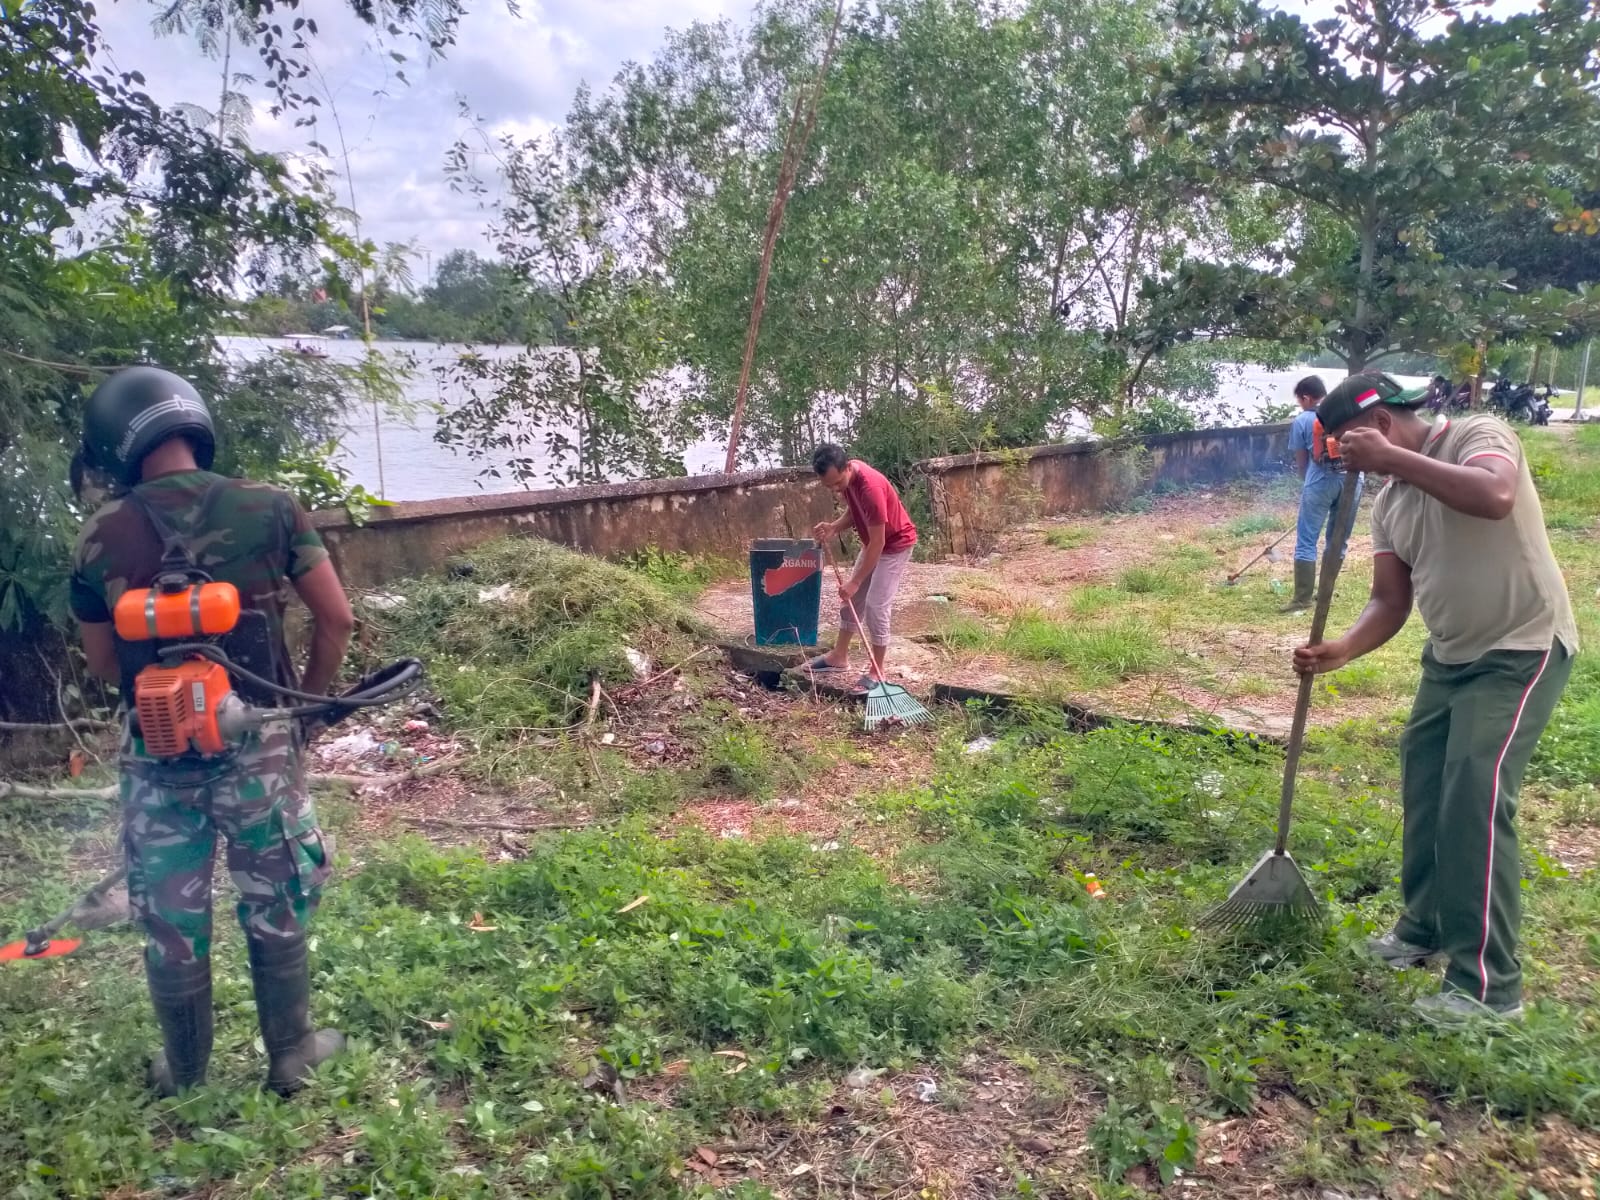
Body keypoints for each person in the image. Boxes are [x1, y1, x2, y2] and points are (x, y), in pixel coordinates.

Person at [70, 366, 357, 1094]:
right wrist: (303, 711)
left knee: (169, 911)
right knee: (277, 892)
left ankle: (186, 1070)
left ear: (113, 444)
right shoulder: (271, 508)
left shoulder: (100, 533)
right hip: (259, 741)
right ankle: (290, 1054)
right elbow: (337, 619)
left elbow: (103, 663)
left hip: (156, 749)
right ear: (191, 423)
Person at [1293, 372, 1577, 1025]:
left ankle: (1488, 987)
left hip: (1520, 647)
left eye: (1346, 444)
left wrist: (1393, 461)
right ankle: (1422, 928)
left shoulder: (1478, 435)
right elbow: (1390, 600)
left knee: (1473, 794)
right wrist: (1342, 649)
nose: (1346, 460)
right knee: (1425, 783)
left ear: (1378, 425)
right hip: (1449, 658)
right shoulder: (1390, 503)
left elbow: (1495, 495)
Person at [807, 444, 918, 691]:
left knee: (875, 605)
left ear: (848, 467)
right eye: (829, 486)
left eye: (838, 483)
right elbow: (856, 511)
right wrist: (834, 527)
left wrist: (856, 581)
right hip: (874, 543)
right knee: (852, 600)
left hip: (895, 545)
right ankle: (839, 656)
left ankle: (877, 670)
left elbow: (879, 543)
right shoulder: (848, 478)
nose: (836, 489)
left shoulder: (871, 489)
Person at [1283, 375, 1361, 612]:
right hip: (1353, 478)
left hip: (1320, 479)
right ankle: (1325, 591)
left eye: (1300, 400)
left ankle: (1302, 598)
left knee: (1307, 539)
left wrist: (1307, 481)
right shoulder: (1345, 413)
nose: (1300, 405)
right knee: (1338, 538)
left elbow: (1301, 462)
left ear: (1307, 398)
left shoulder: (1303, 421)